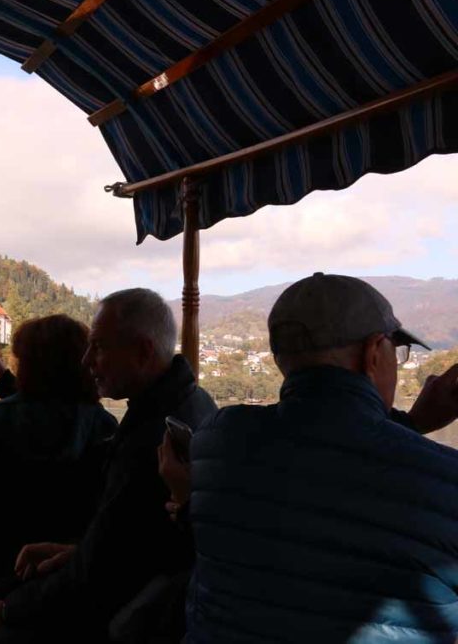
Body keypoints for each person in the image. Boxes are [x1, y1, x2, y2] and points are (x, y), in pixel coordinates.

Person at [186, 273, 458, 642]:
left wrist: (411, 425)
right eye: (397, 350)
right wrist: (412, 430)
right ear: (374, 352)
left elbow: (325, 460)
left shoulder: (216, 440)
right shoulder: (446, 479)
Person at [0, 288, 218, 643]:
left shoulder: (152, 438)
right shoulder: (189, 406)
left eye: (98, 347)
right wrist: (79, 551)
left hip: (131, 618)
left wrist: (7, 611)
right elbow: (137, 542)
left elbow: (99, 574)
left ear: (143, 351)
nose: (86, 361)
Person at [0, 315, 118, 642]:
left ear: (28, 364)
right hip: (64, 600)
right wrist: (0, 373)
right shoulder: (106, 429)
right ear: (83, 362)